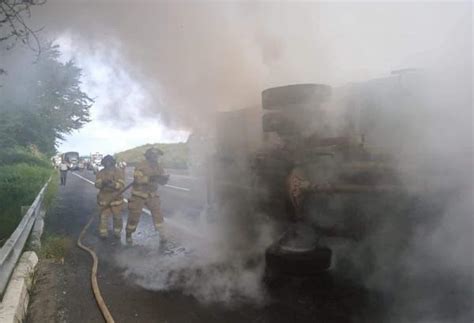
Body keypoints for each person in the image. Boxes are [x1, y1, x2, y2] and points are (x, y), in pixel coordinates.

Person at [126, 147, 169, 244]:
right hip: (139, 195)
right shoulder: (141, 166)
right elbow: (138, 180)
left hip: (152, 195)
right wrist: (150, 178)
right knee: (134, 216)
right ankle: (128, 234)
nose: (156, 157)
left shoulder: (158, 166)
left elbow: (162, 181)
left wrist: (164, 179)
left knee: (158, 215)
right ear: (149, 156)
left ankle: (162, 234)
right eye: (154, 155)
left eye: (157, 155)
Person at [95, 155, 125, 239]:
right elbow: (97, 184)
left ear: (112, 162)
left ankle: (117, 232)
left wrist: (114, 185)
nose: (108, 164)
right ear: (104, 163)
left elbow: (122, 184)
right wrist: (103, 183)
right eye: (106, 162)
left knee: (117, 217)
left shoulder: (118, 172)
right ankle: (103, 233)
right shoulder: (100, 172)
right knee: (103, 217)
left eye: (109, 162)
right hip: (104, 199)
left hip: (116, 199)